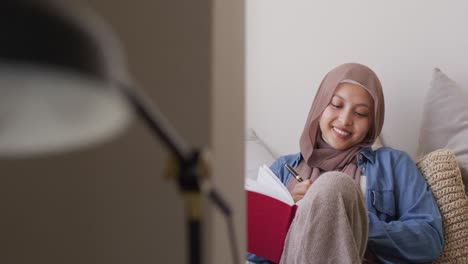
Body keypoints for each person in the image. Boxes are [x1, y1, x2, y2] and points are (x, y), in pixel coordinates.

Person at [247, 63, 443, 263]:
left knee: (334, 186)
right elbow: (247, 251)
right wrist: (287, 215)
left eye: (360, 113)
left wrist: (356, 221)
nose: (345, 119)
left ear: (372, 122)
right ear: (320, 106)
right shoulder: (283, 168)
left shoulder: (394, 164)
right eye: (337, 105)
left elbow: (430, 241)